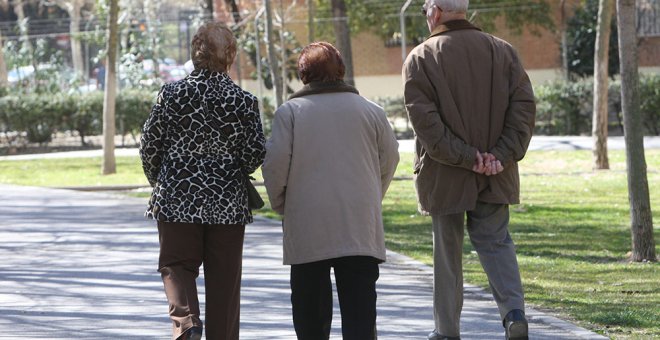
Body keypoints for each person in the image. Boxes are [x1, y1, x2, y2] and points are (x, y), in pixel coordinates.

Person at [402, 1, 536, 339]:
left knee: (447, 253)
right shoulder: (503, 51)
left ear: (435, 11)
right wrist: (498, 156)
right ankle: (513, 313)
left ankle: (447, 330)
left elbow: (427, 125)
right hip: (496, 171)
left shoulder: (420, 58)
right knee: (497, 243)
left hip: (446, 173)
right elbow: (524, 109)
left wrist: (467, 157)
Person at [262, 42, 400, 340]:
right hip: (358, 222)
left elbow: (274, 165)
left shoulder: (291, 113)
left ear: (304, 75)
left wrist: (282, 203)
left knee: (310, 312)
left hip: (308, 221)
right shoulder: (371, 111)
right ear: (341, 71)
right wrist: (373, 194)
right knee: (360, 313)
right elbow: (390, 158)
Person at [139, 21, 266, 340]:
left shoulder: (171, 94)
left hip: (177, 199)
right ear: (230, 56)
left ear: (195, 53)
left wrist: (160, 179)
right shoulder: (243, 101)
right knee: (225, 281)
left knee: (176, 265)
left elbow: (150, 144)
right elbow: (254, 152)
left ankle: (186, 323)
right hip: (227, 204)